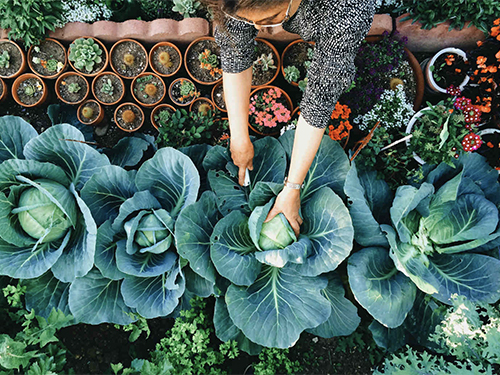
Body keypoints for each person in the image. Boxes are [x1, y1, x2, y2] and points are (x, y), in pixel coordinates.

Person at [209, 0, 375, 236]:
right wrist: (238, 137)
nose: (256, 27)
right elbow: (235, 48)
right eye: (249, 20)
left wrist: (293, 188)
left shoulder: (348, 11)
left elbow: (320, 97)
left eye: (267, 20)